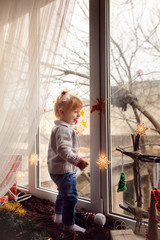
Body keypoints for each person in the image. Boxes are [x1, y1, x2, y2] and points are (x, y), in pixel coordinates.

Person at [47, 91, 88, 233]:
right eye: (75, 112)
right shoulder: (63, 129)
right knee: (71, 197)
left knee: (62, 193)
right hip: (64, 171)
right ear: (62, 112)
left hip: (57, 169)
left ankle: (58, 216)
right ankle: (68, 224)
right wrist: (78, 161)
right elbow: (63, 150)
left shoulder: (60, 128)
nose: (78, 115)